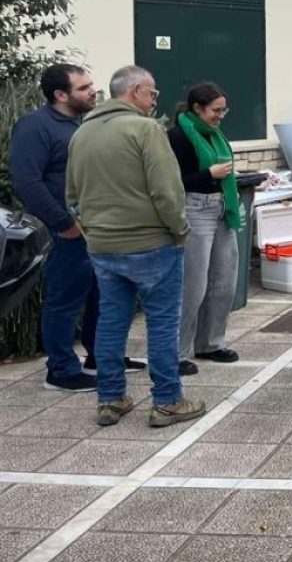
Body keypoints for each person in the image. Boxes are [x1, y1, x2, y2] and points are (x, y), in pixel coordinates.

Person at [66, 66, 205, 428]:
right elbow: (166, 190)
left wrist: (92, 229)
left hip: (103, 245)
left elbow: (72, 194)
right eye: (153, 94)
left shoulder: (82, 133)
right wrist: (180, 229)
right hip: (152, 243)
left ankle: (110, 399)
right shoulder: (146, 129)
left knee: (111, 322)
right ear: (137, 91)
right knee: (161, 323)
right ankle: (168, 401)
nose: (153, 101)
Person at [10, 65, 144, 391]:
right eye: (84, 88)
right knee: (64, 300)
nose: (92, 92)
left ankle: (102, 356)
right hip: (64, 232)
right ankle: (61, 370)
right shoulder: (35, 128)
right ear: (60, 94)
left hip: (96, 229)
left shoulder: (81, 124)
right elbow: (27, 182)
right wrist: (63, 223)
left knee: (104, 293)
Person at [167, 83, 242, 375]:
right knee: (193, 284)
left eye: (224, 109)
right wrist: (209, 174)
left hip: (223, 208)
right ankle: (178, 351)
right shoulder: (178, 136)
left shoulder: (215, 135)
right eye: (216, 110)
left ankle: (211, 343)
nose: (221, 115)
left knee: (224, 280)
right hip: (195, 208)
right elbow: (174, 180)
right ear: (197, 108)